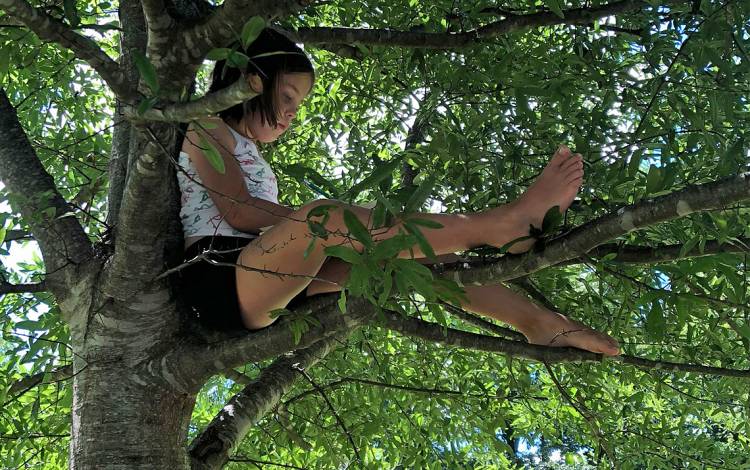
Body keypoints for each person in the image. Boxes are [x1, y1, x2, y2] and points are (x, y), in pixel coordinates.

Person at [177, 28, 620, 356]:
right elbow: (238, 212)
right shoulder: (207, 126)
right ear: (252, 81)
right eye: (288, 96)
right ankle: (503, 224)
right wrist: (329, 220)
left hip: (267, 277)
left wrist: (350, 225)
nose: (293, 113)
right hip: (221, 276)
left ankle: (542, 324)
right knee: (329, 218)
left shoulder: (249, 151)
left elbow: (266, 218)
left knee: (418, 256)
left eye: (299, 104)